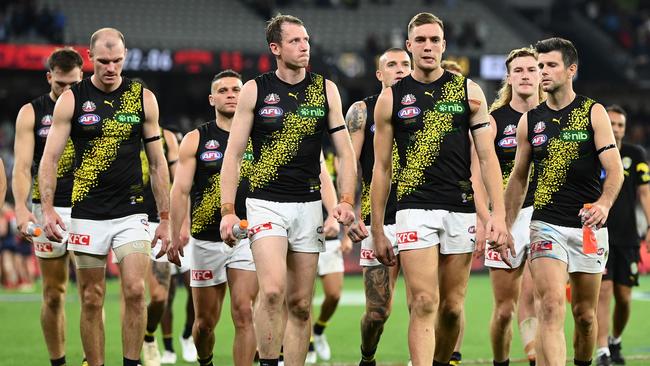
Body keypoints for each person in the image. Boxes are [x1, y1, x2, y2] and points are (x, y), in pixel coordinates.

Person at [369, 12, 508, 366]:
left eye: (434, 41)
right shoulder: (391, 98)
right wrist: (377, 228)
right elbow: (382, 168)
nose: (428, 47)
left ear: (444, 46)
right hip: (413, 207)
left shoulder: (469, 91)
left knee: (451, 308)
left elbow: (488, 159)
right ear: (409, 46)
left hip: (460, 209)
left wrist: (497, 216)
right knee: (424, 301)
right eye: (421, 40)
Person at [219, 14, 357, 366]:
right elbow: (233, 154)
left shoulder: (325, 89)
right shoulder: (255, 89)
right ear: (276, 48)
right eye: (295, 41)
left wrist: (343, 201)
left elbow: (344, 151)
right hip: (265, 204)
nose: (305, 46)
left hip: (308, 205)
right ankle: (268, 362)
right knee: (273, 291)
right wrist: (228, 210)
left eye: (306, 40)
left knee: (299, 303)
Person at [38, 28, 171, 366]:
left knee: (136, 291)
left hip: (131, 212)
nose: (110, 68)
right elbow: (50, 158)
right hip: (87, 213)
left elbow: (157, 163)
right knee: (91, 297)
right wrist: (50, 208)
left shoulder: (143, 98)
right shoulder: (73, 99)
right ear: (90, 57)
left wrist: (167, 218)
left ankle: (131, 362)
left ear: (125, 56)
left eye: (117, 61)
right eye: (103, 61)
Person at [504, 37, 624, 366]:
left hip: (587, 227)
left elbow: (615, 170)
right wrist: (503, 226)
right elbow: (518, 178)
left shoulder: (593, 113)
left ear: (571, 70)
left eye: (550, 65)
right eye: (540, 65)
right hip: (545, 224)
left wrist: (603, 204)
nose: (542, 71)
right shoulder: (531, 120)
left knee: (585, 316)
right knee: (551, 305)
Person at [167, 70, 258, 366]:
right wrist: (175, 232)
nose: (231, 94)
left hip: (247, 235)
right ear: (212, 98)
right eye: (223, 90)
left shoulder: (260, 135)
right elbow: (180, 190)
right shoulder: (196, 139)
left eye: (236, 89)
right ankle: (205, 360)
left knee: (244, 312)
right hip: (205, 241)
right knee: (205, 323)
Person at [12, 47, 83, 366]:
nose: (68, 91)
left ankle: (90, 360)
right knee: (54, 293)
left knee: (92, 294)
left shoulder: (95, 108)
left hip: (89, 209)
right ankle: (58, 362)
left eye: (73, 84)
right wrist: (22, 209)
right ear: (49, 78)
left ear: (83, 77)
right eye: (61, 85)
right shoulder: (32, 112)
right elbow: (22, 166)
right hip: (47, 208)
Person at [345, 47, 411, 366]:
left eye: (405, 64)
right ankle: (367, 356)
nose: (400, 69)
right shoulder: (362, 110)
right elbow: (349, 164)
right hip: (379, 222)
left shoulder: (429, 110)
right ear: (379, 74)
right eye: (392, 65)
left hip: (420, 216)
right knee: (377, 311)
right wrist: (350, 209)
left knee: (427, 302)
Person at [484, 47, 545, 366]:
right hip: (506, 218)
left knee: (540, 299)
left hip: (545, 215)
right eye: (518, 70)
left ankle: (537, 358)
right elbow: (478, 173)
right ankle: (501, 361)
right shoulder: (494, 122)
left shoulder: (554, 116)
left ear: (541, 74)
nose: (525, 75)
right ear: (508, 77)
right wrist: (487, 219)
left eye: (531, 69)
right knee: (505, 309)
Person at [595, 105, 650, 366]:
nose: (615, 128)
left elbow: (645, 193)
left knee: (624, 298)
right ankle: (603, 350)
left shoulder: (635, 154)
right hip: (599, 235)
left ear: (625, 129)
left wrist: (649, 227)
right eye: (612, 123)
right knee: (603, 293)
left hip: (628, 236)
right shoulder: (592, 153)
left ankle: (615, 339)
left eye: (620, 125)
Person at [308, 150, 351, 363]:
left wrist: (347, 233)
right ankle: (307, 344)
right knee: (302, 297)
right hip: (303, 226)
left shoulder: (338, 147)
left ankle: (319, 329)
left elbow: (351, 191)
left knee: (334, 294)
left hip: (331, 229)